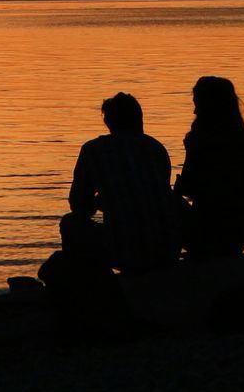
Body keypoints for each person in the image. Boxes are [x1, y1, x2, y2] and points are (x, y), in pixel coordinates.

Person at [64, 91, 180, 274]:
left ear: (108, 122)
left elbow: (78, 204)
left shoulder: (94, 150)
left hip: (124, 250)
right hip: (167, 248)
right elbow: (154, 196)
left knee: (70, 224)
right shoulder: (156, 148)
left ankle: (89, 285)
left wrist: (102, 201)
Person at [174, 75, 244, 259]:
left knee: (158, 200)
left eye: (197, 104)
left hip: (208, 235)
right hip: (237, 237)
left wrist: (178, 189)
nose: (195, 111)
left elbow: (190, 187)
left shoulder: (202, 141)